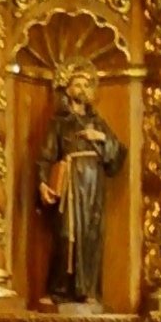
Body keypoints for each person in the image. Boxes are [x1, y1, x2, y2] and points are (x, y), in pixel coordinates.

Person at [36, 60, 126, 307]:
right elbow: (45, 156)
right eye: (78, 84)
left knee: (91, 236)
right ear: (67, 88)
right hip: (69, 187)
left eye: (87, 85)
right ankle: (57, 290)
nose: (82, 89)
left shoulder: (98, 123)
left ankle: (89, 291)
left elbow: (118, 154)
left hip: (94, 186)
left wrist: (101, 137)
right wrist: (43, 183)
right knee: (65, 235)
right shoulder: (59, 122)